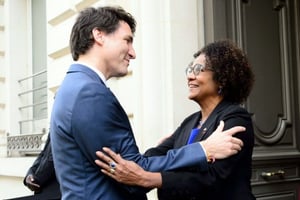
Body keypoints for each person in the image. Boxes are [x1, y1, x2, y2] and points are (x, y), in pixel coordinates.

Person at [50, 6, 245, 200]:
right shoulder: (89, 93)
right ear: (99, 35)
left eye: (199, 69)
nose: (133, 53)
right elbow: (132, 169)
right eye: (127, 40)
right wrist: (204, 149)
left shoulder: (75, 87)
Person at [95, 40, 256, 200]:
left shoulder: (236, 118)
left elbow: (212, 179)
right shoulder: (190, 122)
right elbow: (152, 157)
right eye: (190, 69)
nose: (190, 76)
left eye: (198, 69)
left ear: (222, 78)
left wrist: (146, 178)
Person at [23, 134, 61, 200]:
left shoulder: (62, 124)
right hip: (43, 188)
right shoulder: (53, 127)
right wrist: (30, 174)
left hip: (56, 190)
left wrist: (36, 180)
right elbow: (43, 154)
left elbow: (53, 159)